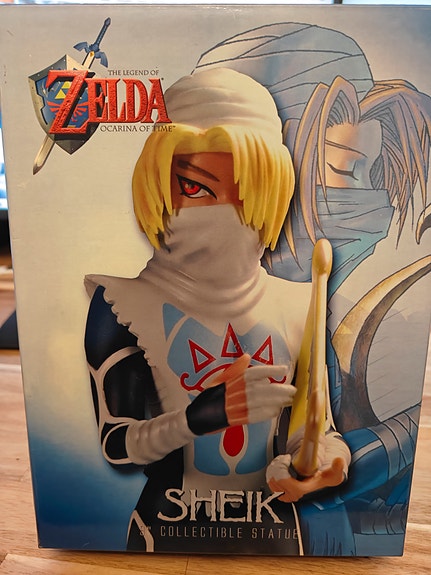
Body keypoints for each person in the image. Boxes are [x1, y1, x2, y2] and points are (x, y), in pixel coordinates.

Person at [84, 67, 350, 554]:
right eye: (194, 187)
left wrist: (322, 462)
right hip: (163, 534)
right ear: (155, 184)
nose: (223, 212)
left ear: (272, 192)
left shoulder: (300, 301)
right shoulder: (121, 303)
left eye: (246, 190)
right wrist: (199, 416)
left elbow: (313, 430)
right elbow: (116, 444)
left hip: (278, 537)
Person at [195, 22, 431, 555]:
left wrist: (347, 455)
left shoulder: (344, 300)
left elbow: (346, 422)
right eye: (345, 166)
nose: (369, 198)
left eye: (367, 169)